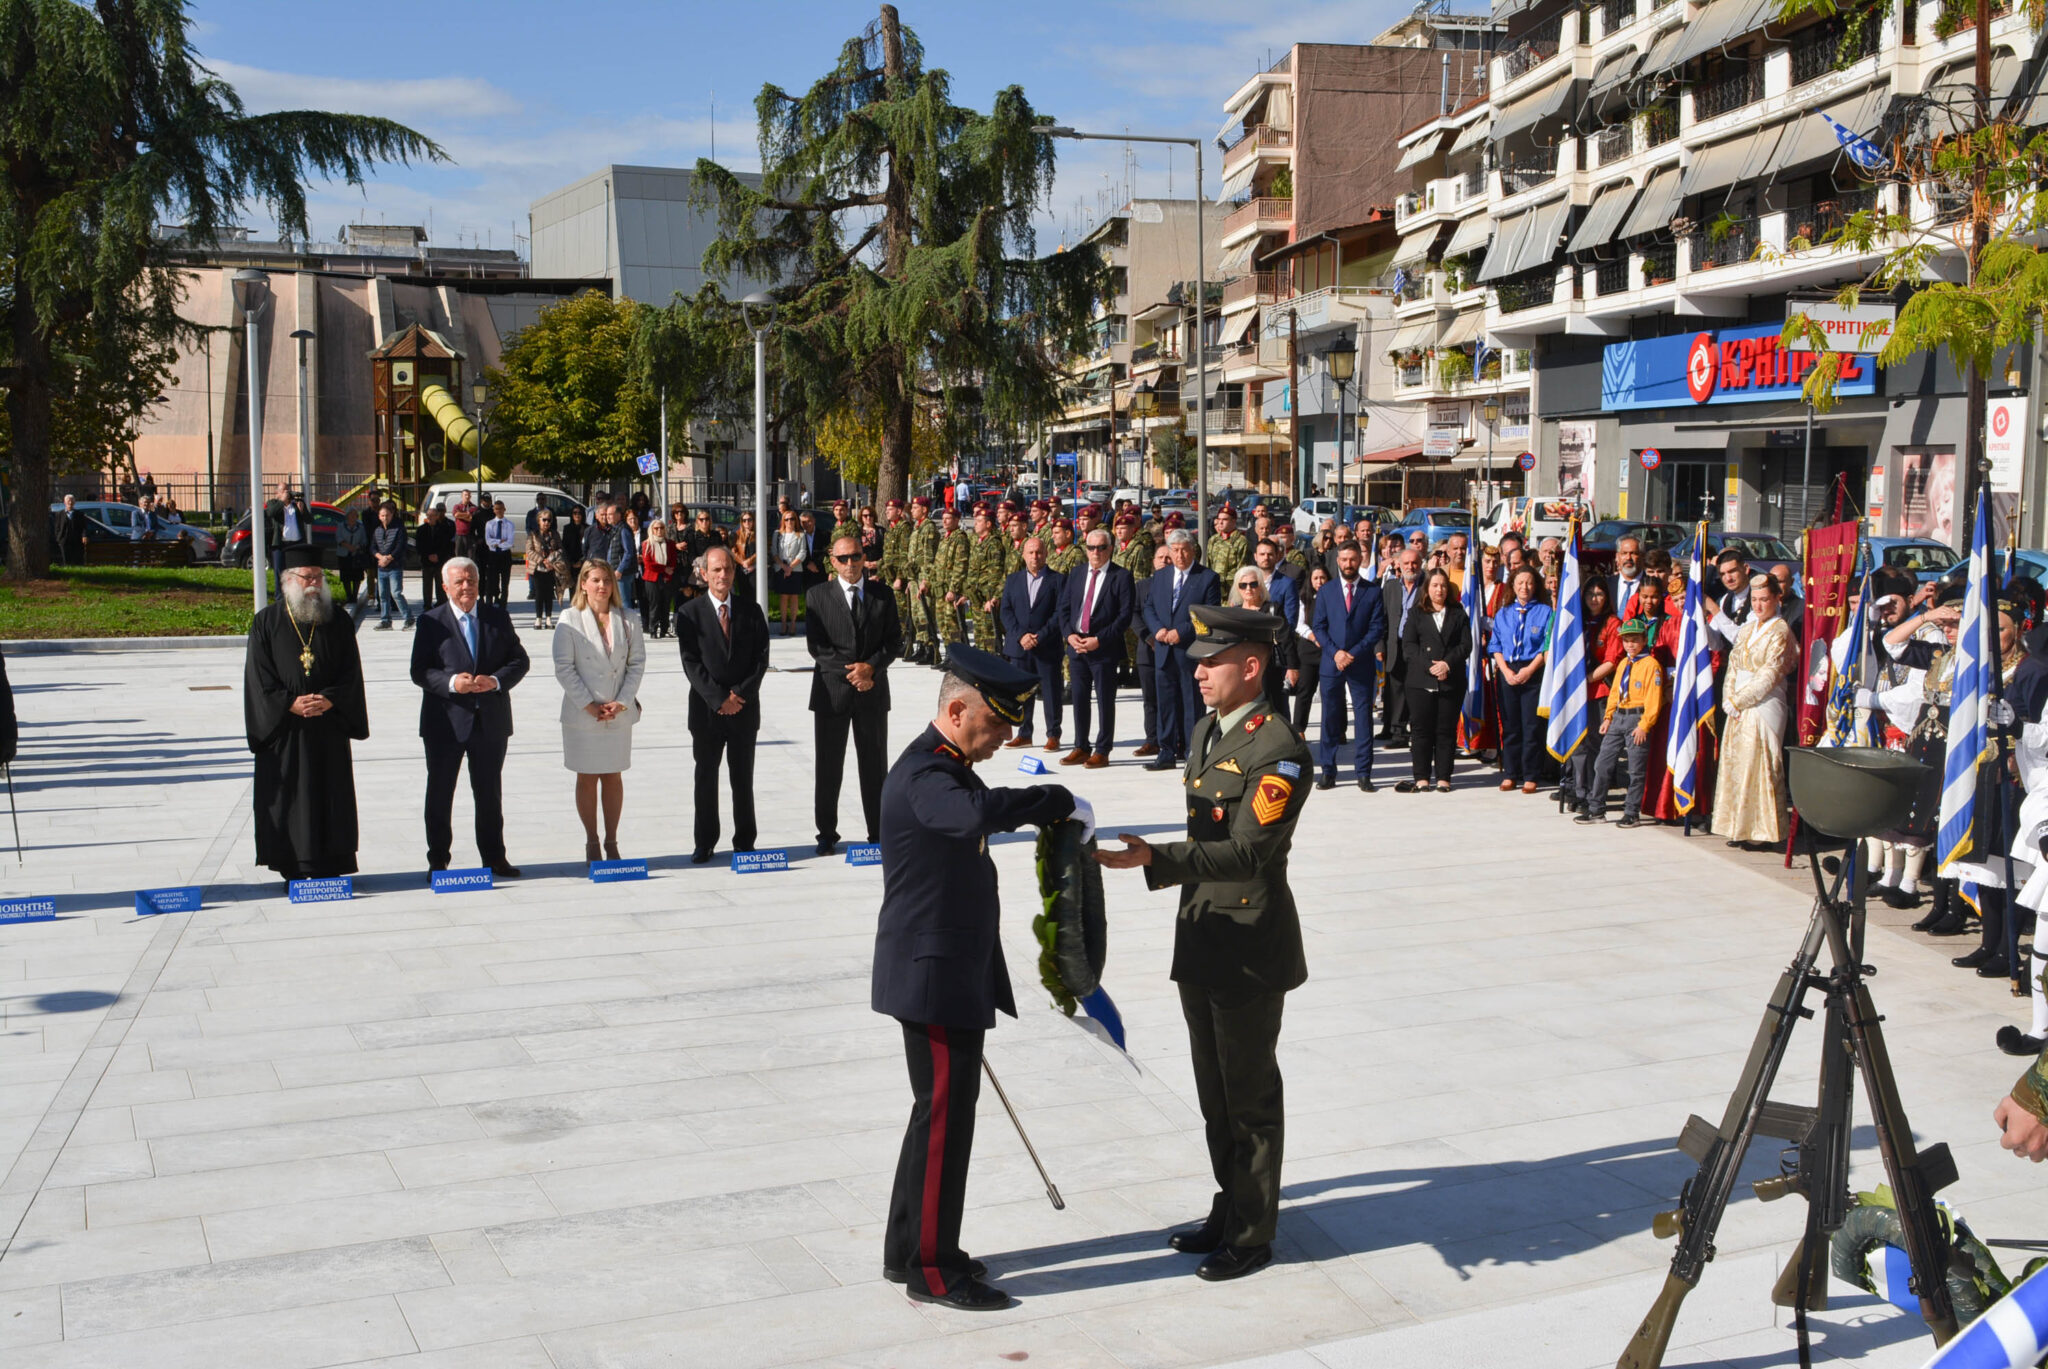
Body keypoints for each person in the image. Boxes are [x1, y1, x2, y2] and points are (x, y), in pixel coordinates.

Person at [1096, 604, 1312, 1284]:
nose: (1197, 671)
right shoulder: (1208, 730)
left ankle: (1252, 1233)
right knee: (1213, 1092)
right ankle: (1230, 1205)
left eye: (1211, 661)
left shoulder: (1278, 748)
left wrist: (1155, 858)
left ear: (1250, 666)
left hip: (1248, 942)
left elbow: (1248, 852)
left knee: (1248, 1094)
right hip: (1201, 932)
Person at [873, 646, 1083, 1309]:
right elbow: (972, 814)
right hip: (933, 976)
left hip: (943, 968)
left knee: (933, 1114)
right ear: (958, 709)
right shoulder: (927, 773)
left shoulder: (947, 765)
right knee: (944, 1122)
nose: (1000, 740)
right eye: (995, 725)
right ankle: (932, 1270)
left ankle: (908, 1248)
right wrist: (1050, 798)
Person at [244, 548, 369, 882]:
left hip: (329, 726)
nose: (315, 583)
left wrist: (329, 699)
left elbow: (351, 673)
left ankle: (332, 864)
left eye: (319, 576)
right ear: (289, 580)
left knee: (331, 794)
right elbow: (258, 677)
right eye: (307, 577)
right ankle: (293, 866)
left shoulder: (338, 620)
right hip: (285, 730)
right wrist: (289, 703)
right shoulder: (266, 622)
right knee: (290, 797)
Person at [410, 556, 531, 876]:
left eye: (472, 581)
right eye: (459, 582)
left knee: (489, 793)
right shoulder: (430, 622)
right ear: (445, 586)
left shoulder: (497, 617)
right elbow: (419, 670)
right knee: (440, 793)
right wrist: (452, 683)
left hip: (490, 721)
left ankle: (494, 857)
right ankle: (438, 859)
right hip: (445, 722)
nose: (466, 587)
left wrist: (496, 681)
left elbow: (519, 661)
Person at [806, 533, 903, 855]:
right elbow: (817, 647)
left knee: (874, 766)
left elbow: (893, 642)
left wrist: (870, 669)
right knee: (828, 767)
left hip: (872, 692)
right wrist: (854, 673)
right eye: (844, 558)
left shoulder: (882, 595)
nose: (851, 564)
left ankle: (878, 832)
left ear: (864, 558)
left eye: (856, 556)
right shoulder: (817, 595)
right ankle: (826, 833)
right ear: (833, 562)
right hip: (832, 694)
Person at [676, 546, 770, 861]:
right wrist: (719, 699)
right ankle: (705, 841)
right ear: (704, 573)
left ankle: (745, 840)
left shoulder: (751, 611)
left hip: (744, 709)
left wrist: (739, 695)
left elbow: (761, 659)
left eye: (728, 568)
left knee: (743, 778)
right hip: (707, 712)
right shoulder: (689, 613)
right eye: (716, 569)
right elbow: (691, 663)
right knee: (706, 776)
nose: (723, 575)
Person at [554, 558, 646, 864]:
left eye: (606, 580)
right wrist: (588, 704)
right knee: (587, 776)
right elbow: (564, 667)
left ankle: (612, 840)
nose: (602, 586)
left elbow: (636, 663)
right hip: (584, 713)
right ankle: (592, 840)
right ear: (583, 584)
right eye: (595, 580)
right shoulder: (570, 619)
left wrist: (622, 701)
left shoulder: (629, 618)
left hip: (617, 711)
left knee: (613, 775)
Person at [1711, 574, 1797, 848]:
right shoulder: (1748, 629)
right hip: (1738, 701)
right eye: (1755, 600)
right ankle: (1738, 826)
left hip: (1764, 703)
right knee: (1737, 761)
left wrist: (1739, 700)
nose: (1759, 606)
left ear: (1776, 599)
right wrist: (1729, 697)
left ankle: (1762, 831)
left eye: (1764, 600)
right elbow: (1734, 665)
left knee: (1760, 762)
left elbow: (1770, 673)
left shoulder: (1780, 630)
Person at [1143, 529, 1222, 771]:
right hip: (1164, 651)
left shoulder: (1207, 578)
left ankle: (1192, 752)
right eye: (1175, 550)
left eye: (1184, 550)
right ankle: (1166, 751)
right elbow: (1149, 607)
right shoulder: (1161, 576)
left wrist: (1182, 631)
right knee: (1165, 704)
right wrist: (1157, 630)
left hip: (1190, 652)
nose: (1179, 555)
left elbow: (1208, 614)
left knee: (1192, 704)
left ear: (1193, 550)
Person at [1312, 543, 1387, 793]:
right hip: (1331, 663)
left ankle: (1363, 773)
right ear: (1338, 561)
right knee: (1330, 718)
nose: (1348, 564)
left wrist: (1352, 654)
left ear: (1359, 559)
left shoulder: (1372, 591)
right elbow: (1319, 627)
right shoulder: (1326, 591)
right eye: (1344, 559)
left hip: (1360, 663)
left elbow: (1376, 628)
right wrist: (1336, 653)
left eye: (1352, 559)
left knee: (1363, 719)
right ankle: (1328, 771)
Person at [1060, 528, 1135, 769]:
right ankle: (1081, 746)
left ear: (1110, 549)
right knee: (1079, 698)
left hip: (1103, 648)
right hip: (1077, 646)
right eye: (1091, 547)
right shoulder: (1076, 573)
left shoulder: (1121, 576)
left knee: (1104, 700)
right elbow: (1064, 609)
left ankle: (1103, 750)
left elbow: (1124, 617)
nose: (1095, 552)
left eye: (1101, 547)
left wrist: (1099, 640)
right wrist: (1069, 635)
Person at [1577, 616, 1663, 826]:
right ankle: (1596, 809)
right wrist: (1608, 717)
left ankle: (1631, 812)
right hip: (1618, 717)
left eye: (1635, 640)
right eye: (1626, 640)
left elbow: (1654, 699)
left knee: (1635, 769)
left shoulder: (1651, 665)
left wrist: (1644, 725)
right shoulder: (1624, 663)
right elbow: (1615, 692)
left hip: (1637, 719)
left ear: (1644, 640)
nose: (1630, 644)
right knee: (1602, 764)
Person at [1398, 567, 1470, 793]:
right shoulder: (1416, 613)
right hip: (1420, 681)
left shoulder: (1458, 612)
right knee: (1421, 730)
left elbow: (1465, 645)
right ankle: (1421, 777)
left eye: (1443, 585)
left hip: (1451, 679)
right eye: (1435, 585)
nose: (1439, 590)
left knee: (1445, 730)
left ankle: (1444, 777)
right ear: (1427, 589)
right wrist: (1430, 666)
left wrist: (1446, 664)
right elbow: (1409, 646)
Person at [998, 536, 1065, 754]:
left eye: (1039, 552)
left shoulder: (1058, 580)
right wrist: (1021, 636)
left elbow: (1060, 613)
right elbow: (1006, 611)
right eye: (1031, 552)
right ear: (1023, 555)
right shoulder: (1013, 580)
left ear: (1046, 554)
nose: (1035, 556)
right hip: (1020, 647)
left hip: (1047, 646)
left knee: (1051, 693)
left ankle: (1053, 735)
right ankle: (1024, 733)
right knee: (1022, 693)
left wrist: (1039, 636)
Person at [1489, 566, 1551, 794]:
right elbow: (1495, 645)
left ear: (1536, 586)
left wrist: (1529, 670)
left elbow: (1546, 647)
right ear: (1513, 586)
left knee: (1531, 725)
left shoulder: (1545, 612)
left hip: (1532, 671)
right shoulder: (1503, 613)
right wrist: (1505, 671)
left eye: (1529, 583)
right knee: (1511, 725)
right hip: (1508, 671)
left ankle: (1531, 774)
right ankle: (1511, 772)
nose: (1524, 587)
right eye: (1520, 583)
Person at [1229, 568, 1295, 717]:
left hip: (1270, 670)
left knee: (1277, 712)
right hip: (1242, 672)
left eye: (1253, 584)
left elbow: (1285, 638)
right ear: (1237, 588)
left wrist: (1292, 667)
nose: (1248, 589)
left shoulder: (1272, 609)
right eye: (1243, 585)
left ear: (1261, 586)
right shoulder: (1234, 613)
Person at [1379, 546, 1422, 749]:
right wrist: (1379, 646)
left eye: (1414, 563)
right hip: (1394, 646)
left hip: (1418, 648)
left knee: (1414, 690)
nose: (1410, 566)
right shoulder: (1391, 587)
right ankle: (1395, 731)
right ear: (1400, 565)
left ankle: (1412, 731)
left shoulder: (1427, 586)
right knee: (1395, 690)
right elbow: (1382, 619)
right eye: (1406, 563)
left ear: (1420, 564)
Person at [1292, 565, 1329, 738]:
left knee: (1331, 692)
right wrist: (1314, 637)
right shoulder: (1304, 598)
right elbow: (1299, 624)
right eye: (1316, 578)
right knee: (1305, 691)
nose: (1319, 582)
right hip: (1308, 650)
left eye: (1322, 578)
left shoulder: (1334, 597)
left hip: (1329, 650)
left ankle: (1336, 729)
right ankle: (1299, 729)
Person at [370, 501, 413, 631]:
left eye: (387, 515)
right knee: (383, 595)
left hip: (395, 567)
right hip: (381, 568)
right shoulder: (377, 530)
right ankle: (385, 621)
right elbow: (372, 547)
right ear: (379, 516)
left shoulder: (398, 529)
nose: (385, 518)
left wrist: (388, 558)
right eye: (382, 515)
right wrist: (380, 557)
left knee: (396, 593)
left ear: (392, 515)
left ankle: (408, 618)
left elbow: (400, 547)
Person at [526, 506, 565, 630]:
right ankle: (538, 618)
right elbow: (529, 551)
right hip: (538, 568)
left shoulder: (554, 534)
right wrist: (542, 560)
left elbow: (560, 549)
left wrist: (551, 559)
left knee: (549, 593)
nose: (546, 522)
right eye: (544, 520)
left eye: (549, 520)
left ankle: (548, 618)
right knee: (539, 593)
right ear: (539, 520)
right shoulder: (533, 534)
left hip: (551, 568)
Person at [639, 520, 679, 638]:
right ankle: (653, 629)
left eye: (661, 528)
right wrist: (664, 569)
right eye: (656, 528)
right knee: (654, 604)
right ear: (651, 530)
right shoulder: (647, 544)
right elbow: (648, 564)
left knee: (666, 604)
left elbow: (673, 561)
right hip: (652, 578)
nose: (659, 530)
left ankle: (664, 630)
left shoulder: (670, 543)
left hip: (667, 578)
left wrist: (667, 573)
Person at [416, 503, 455, 609]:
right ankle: (427, 605)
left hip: (440, 560)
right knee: (427, 585)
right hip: (427, 561)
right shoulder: (421, 529)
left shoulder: (444, 529)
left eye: (433, 515)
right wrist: (428, 555)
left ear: (437, 516)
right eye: (428, 515)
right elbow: (419, 546)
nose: (430, 518)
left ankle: (441, 604)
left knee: (440, 584)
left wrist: (438, 555)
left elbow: (446, 545)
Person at [335, 508, 369, 617]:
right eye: (351, 515)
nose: (353, 517)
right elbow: (338, 538)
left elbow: (364, 540)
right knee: (346, 575)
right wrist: (347, 546)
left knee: (356, 576)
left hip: (356, 554)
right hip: (344, 554)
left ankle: (354, 596)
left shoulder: (361, 527)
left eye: (355, 515)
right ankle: (348, 595)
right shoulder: (341, 526)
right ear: (347, 516)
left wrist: (357, 547)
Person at [483, 500, 516, 606]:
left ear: (504, 509)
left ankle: (503, 603)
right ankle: (490, 601)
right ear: (494, 510)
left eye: (501, 508)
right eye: (496, 509)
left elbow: (510, 542)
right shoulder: (490, 524)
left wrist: (496, 543)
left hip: (505, 555)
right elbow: (488, 541)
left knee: (505, 581)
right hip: (493, 555)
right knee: (492, 579)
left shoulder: (510, 524)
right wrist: (500, 541)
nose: (499, 511)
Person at [54, 494, 89, 566]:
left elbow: (84, 527)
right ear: (65, 502)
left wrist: (84, 536)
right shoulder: (59, 514)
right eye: (68, 501)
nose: (70, 503)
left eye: (72, 501)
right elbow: (57, 527)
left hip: (76, 540)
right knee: (66, 560)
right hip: (64, 540)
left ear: (74, 502)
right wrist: (59, 538)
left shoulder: (79, 514)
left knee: (77, 560)